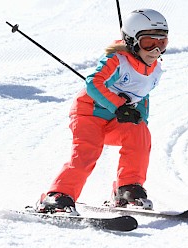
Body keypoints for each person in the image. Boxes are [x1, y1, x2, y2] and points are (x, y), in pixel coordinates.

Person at [38, 9, 169, 214]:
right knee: (87, 152)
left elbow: (143, 94)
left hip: (116, 120)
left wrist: (139, 117)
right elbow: (93, 83)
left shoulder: (155, 69)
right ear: (133, 41)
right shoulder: (117, 59)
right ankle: (58, 196)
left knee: (139, 133)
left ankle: (128, 189)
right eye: (148, 43)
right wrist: (118, 106)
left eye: (162, 43)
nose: (155, 50)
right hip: (89, 114)